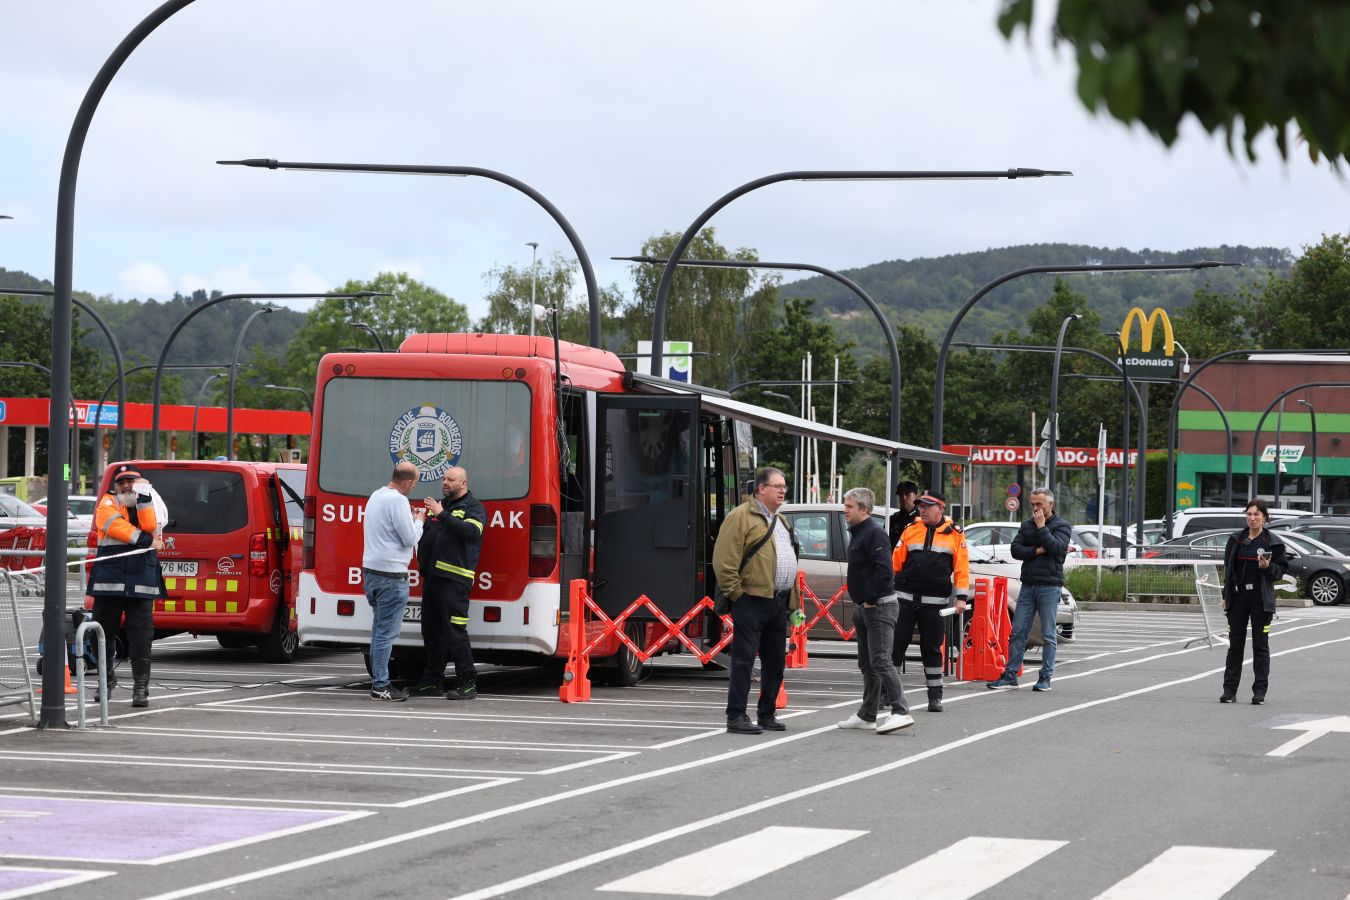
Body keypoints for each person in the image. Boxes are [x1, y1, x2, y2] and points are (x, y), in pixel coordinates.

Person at [712, 466, 802, 735]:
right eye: (778, 486)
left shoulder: (781, 520)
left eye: (784, 486)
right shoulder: (740, 517)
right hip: (751, 599)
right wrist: (738, 594)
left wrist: (793, 604)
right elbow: (724, 561)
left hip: (778, 601)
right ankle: (736, 715)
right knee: (744, 660)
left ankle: (767, 713)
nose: (783, 490)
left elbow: (790, 561)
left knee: (775, 661)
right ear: (762, 488)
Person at [837, 487, 914, 734]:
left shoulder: (874, 533)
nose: (845, 510)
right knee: (868, 664)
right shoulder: (859, 532)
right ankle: (868, 714)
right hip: (865, 607)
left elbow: (885, 571)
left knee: (881, 660)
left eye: (849, 506)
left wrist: (870, 598)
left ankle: (901, 711)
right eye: (845, 505)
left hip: (879, 606)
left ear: (864, 510)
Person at [89, 463, 164, 707]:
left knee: (141, 636)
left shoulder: (149, 502)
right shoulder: (108, 502)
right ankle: (105, 681)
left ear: (140, 484)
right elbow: (114, 525)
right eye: (122, 482)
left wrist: (143, 498)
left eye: (131, 481)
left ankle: (140, 688)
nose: (126, 485)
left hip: (140, 576)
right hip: (110, 578)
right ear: (116, 486)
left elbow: (151, 524)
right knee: (101, 632)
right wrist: (145, 540)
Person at [412, 466, 486, 701]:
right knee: (432, 632)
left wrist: (441, 514)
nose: (445, 482)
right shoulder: (442, 507)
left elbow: (471, 533)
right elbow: (434, 537)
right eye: (444, 478)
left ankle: (468, 682)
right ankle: (432, 681)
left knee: (455, 632)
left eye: (450, 479)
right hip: (433, 579)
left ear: (463, 483)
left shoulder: (474, 508)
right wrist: (422, 522)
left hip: (455, 581)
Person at [989, 487, 1072, 692]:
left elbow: (1057, 549)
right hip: (1028, 585)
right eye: (1033, 504)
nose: (1035, 508)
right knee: (1018, 631)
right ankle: (1010, 675)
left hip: (1050, 586)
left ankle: (1045, 678)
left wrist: (1042, 528)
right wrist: (1037, 550)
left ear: (1050, 504)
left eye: (1039, 504)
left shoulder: (1062, 526)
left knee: (1048, 634)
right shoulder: (1026, 525)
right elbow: (1016, 550)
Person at [892, 490, 969, 712]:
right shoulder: (911, 530)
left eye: (927, 506)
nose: (922, 510)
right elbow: (895, 563)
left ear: (940, 509)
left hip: (935, 602)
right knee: (896, 647)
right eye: (920, 506)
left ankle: (935, 696)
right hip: (904, 598)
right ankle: (887, 693)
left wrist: (961, 598)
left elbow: (961, 568)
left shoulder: (955, 534)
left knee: (932, 649)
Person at [362, 461, 433, 701]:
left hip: (371, 572)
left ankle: (378, 681)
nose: (414, 487)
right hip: (391, 575)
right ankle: (380, 685)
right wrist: (420, 520)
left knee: (377, 631)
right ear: (408, 482)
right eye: (415, 483)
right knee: (385, 634)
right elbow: (409, 538)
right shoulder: (398, 500)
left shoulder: (376, 496)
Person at [1220, 498, 1287, 705]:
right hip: (1239, 599)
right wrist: (1226, 596)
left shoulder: (1273, 543)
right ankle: (1229, 691)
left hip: (1260, 600)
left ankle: (1259, 692)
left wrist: (1267, 567)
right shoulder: (1236, 540)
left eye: (1256, 514)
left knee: (1260, 647)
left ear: (1264, 517)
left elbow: (1280, 571)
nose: (1252, 518)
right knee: (1235, 646)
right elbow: (1228, 571)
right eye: (1249, 514)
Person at [888, 481, 920, 547]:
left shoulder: (922, 519)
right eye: (901, 495)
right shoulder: (893, 519)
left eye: (907, 494)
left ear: (915, 496)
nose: (904, 498)